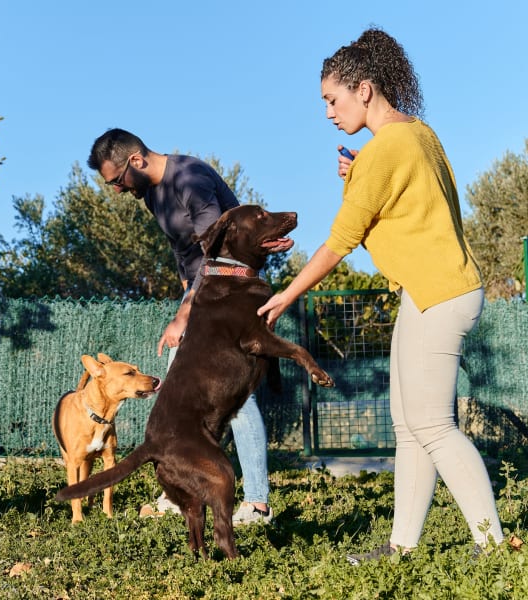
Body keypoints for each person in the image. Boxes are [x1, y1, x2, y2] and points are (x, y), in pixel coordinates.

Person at [257, 28, 505, 561]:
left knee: (434, 425)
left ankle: (495, 550)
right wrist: (356, 178)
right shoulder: (417, 134)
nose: (327, 111)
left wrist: (284, 296)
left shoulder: (383, 151)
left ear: (363, 89)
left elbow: (341, 243)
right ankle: (401, 546)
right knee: (410, 426)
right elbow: (390, 221)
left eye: (332, 98)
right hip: (431, 290)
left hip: (439, 293)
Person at [87, 129, 272, 525]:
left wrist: (185, 314)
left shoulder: (191, 180)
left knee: (234, 398)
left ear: (135, 161)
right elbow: (184, 252)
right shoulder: (152, 193)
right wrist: (186, 295)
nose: (117, 191)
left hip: (233, 292)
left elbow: (217, 255)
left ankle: (257, 502)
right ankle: (184, 489)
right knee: (180, 394)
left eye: (116, 181)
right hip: (203, 293)